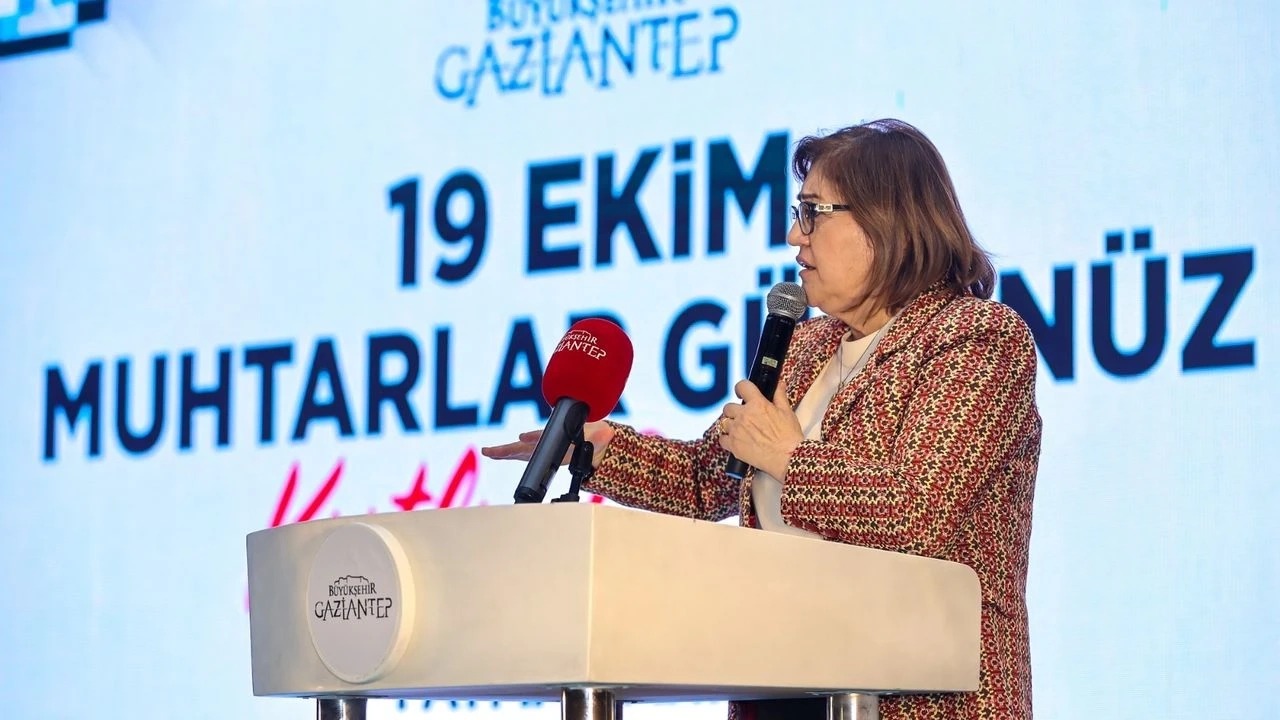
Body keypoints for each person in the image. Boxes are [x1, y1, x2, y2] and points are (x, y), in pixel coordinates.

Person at [482, 118, 1042, 720]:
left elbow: (918, 511)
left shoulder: (977, 338)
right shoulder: (805, 347)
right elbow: (710, 479)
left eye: (813, 213)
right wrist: (595, 447)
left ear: (886, 220)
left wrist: (787, 459)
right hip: (779, 681)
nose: (794, 235)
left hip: (919, 696)